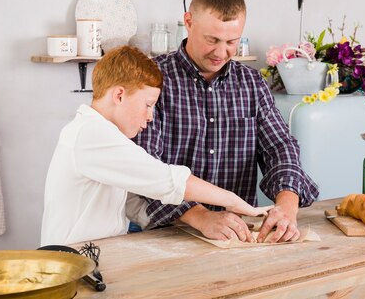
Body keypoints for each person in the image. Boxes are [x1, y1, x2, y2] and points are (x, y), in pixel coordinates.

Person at [134, 0, 319, 243]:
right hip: (166, 237)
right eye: (212, 40)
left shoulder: (252, 83)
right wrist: (200, 216)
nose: (221, 52)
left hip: (238, 237)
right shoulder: (154, 79)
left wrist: (287, 204)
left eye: (232, 41)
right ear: (188, 22)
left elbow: (280, 148)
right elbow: (143, 168)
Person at [41, 46, 268, 245]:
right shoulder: (92, 134)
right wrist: (235, 202)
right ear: (119, 95)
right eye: (148, 104)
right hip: (70, 261)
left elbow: (132, 199)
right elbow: (166, 179)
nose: (150, 116)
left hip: (93, 256)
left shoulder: (102, 134)